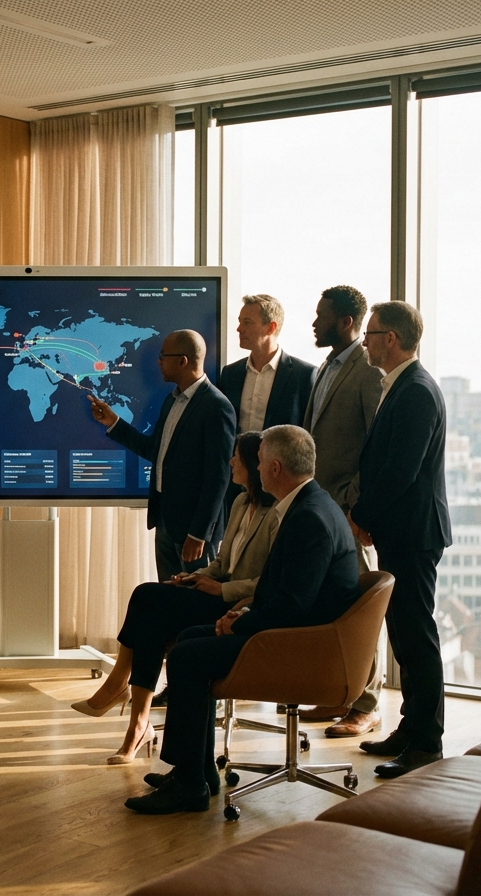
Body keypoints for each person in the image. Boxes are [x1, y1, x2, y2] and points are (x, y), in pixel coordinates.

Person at [124, 425, 359, 814]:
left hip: (300, 646)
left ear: (276, 468)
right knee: (187, 639)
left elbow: (294, 606)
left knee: (187, 657)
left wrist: (240, 622)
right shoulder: (311, 505)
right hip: (294, 632)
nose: (254, 466)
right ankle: (197, 772)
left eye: (261, 461)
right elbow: (287, 594)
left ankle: (189, 785)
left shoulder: (309, 519)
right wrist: (243, 612)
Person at [71, 431, 278, 767]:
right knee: (151, 610)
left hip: (238, 606)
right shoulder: (240, 502)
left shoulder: (278, 515)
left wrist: (221, 589)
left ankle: (122, 691)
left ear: (255, 464)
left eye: (236, 456)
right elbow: (224, 563)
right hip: (216, 591)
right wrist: (199, 577)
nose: (230, 463)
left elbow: (266, 582)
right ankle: (138, 723)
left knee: (147, 597)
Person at [350, 301, 451, 779]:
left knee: (416, 636)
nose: (365, 341)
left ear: (391, 338)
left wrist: (361, 515)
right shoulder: (402, 386)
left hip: (413, 533)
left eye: (371, 334)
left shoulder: (416, 391)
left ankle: (426, 743)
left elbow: (400, 472)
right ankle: (410, 730)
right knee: (406, 635)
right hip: (403, 529)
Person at [299, 285, 386, 738]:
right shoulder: (325, 368)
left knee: (361, 603)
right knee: (332, 599)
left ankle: (367, 703)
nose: (314, 322)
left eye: (321, 316)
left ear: (346, 321)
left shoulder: (368, 371)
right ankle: (340, 694)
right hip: (319, 507)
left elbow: (374, 445)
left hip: (347, 509)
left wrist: (355, 503)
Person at [88, 329, 235, 583]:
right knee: (167, 602)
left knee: (194, 605)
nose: (158, 361)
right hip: (166, 523)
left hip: (193, 532)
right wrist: (113, 422)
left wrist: (199, 534)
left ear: (183, 361)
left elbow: (218, 478)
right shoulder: (171, 401)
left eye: (163, 355)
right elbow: (154, 450)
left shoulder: (216, 407)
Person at [218, 294, 316, 510]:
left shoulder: (303, 375)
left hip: (280, 483)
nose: (239, 329)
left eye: (247, 323)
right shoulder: (230, 374)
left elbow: (306, 431)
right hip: (236, 481)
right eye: (239, 322)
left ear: (270, 327)